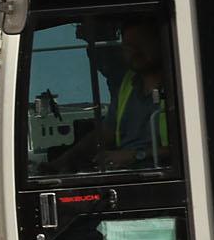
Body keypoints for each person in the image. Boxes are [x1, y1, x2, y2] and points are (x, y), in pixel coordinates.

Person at [48, 18, 171, 173]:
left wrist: (135, 155)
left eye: (141, 43)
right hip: (125, 172)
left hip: (164, 173)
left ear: (159, 41)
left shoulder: (182, 88)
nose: (135, 51)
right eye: (129, 46)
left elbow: (191, 148)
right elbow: (106, 133)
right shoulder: (127, 85)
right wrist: (62, 161)